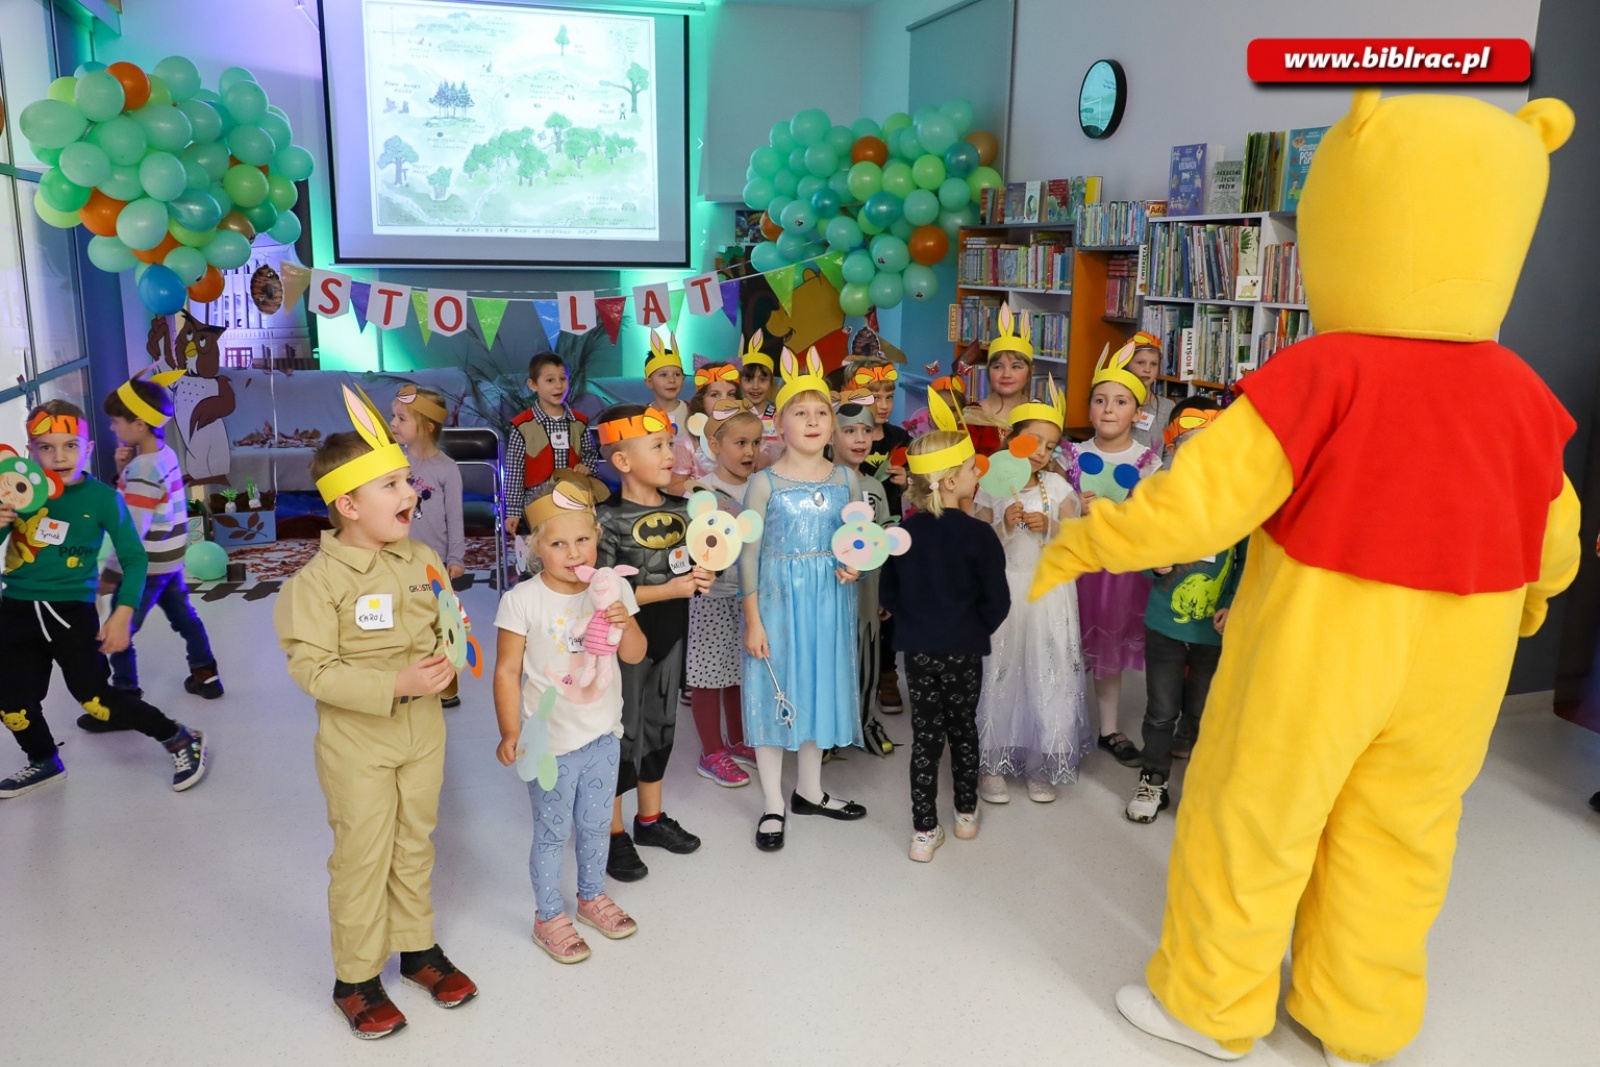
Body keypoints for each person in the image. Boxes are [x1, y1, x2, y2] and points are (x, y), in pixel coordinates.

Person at [1031, 90, 1580, 1067]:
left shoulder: (1319, 371)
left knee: (1255, 815)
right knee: (1399, 834)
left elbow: (1198, 504)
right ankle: (1356, 1019)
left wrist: (1084, 542)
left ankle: (1210, 1002)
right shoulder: (1526, 393)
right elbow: (1557, 541)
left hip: (1322, 642)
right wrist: (1528, 601)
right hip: (1461, 660)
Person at [274, 389, 477, 1038]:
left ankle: (416, 948)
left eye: (407, 480)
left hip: (424, 730)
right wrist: (396, 680)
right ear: (348, 504)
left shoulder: (419, 558)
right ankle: (355, 977)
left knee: (415, 841)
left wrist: (454, 652)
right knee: (364, 852)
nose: (410, 493)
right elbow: (313, 670)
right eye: (391, 484)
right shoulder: (315, 585)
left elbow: (446, 618)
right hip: (358, 741)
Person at [0, 401, 209, 798]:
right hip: (16, 609)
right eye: (45, 447)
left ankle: (179, 737)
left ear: (88, 448)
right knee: (11, 700)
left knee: (97, 701)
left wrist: (123, 611)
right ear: (29, 451)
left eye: (70, 445)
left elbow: (134, 557)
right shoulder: (15, 493)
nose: (59, 456)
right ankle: (43, 760)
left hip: (71, 612)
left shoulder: (101, 498)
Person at [493, 474, 646, 964]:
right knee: (554, 831)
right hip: (549, 745)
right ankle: (548, 917)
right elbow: (506, 669)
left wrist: (626, 620)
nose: (574, 552)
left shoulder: (612, 587)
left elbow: (638, 654)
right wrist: (510, 731)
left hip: (603, 734)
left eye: (583, 539)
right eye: (558, 543)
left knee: (597, 824)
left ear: (598, 539)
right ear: (538, 548)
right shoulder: (522, 600)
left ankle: (590, 897)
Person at [738, 347, 870, 852]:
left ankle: (810, 791)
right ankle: (773, 801)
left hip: (828, 602)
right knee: (778, 696)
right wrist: (753, 620)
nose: (812, 422)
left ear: (833, 424)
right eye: (801, 412)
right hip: (776, 602)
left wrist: (854, 565)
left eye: (822, 413)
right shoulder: (763, 483)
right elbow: (747, 558)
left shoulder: (846, 479)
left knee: (816, 690)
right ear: (780, 423)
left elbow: (858, 542)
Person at [593, 403, 713, 881]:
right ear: (622, 461)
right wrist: (669, 590)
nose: (672, 453)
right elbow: (601, 591)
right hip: (624, 645)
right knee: (621, 733)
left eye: (671, 442)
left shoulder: (685, 511)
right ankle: (612, 832)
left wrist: (709, 568)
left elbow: (703, 559)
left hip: (672, 637)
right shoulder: (605, 520)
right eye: (659, 446)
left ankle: (650, 819)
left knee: (661, 727)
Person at [882, 425, 1009, 861]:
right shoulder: (980, 535)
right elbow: (998, 602)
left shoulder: (904, 533)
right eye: (974, 468)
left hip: (918, 650)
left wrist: (916, 621)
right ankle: (966, 814)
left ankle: (923, 831)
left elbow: (888, 595)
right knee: (963, 728)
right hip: (964, 650)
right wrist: (973, 629)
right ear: (952, 481)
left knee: (925, 736)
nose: (979, 473)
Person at [1125, 398, 1243, 824]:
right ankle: (1153, 779)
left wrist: (1231, 602)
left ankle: (1199, 784)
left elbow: (1247, 560)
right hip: (1165, 626)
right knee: (1160, 709)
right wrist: (1151, 564)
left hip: (1214, 632)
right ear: (1174, 453)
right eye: (1189, 448)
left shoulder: (1239, 505)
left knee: (1204, 709)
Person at [972, 380, 1090, 803]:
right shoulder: (988, 487)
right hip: (1005, 590)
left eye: (1050, 445)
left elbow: (1078, 544)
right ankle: (992, 762)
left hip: (1047, 595)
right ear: (1008, 438)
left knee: (1046, 669)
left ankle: (1042, 761)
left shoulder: (1059, 490)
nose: (1041, 451)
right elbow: (977, 542)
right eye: (1033, 440)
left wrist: (1052, 528)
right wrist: (1004, 525)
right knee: (1000, 670)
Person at [1058, 341, 1163, 767]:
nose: (1107, 409)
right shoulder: (1072, 456)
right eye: (1100, 400)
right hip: (1076, 568)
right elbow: (1054, 515)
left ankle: (1108, 728)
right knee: (1067, 647)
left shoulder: (1148, 462)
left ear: (1137, 413)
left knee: (1109, 651)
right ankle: (1062, 723)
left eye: (1120, 402)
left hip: (1118, 576)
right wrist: (1073, 509)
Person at [94, 374, 223, 711]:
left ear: (138, 424)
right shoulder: (164, 455)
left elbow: (130, 533)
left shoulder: (142, 469)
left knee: (119, 630)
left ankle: (124, 697)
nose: (112, 428)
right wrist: (123, 468)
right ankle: (205, 674)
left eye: (115, 421)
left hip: (144, 567)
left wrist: (110, 575)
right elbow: (142, 499)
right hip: (170, 560)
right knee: (185, 618)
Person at [686, 408, 763, 787]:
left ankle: (736, 740)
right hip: (713, 597)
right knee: (708, 676)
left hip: (747, 596)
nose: (750, 451)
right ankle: (710, 750)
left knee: (737, 672)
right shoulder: (700, 490)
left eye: (756, 443)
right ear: (715, 445)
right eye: (741, 443)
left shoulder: (760, 486)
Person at [842, 356, 911, 714]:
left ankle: (886, 673)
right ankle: (848, 677)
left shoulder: (901, 437)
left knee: (887, 605)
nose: (882, 406)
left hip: (890, 534)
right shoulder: (842, 440)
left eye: (888, 396)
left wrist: (908, 482)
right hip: (850, 541)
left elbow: (917, 489)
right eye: (873, 397)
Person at [391, 384, 467, 706]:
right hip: (398, 557)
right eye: (393, 416)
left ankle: (445, 682)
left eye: (401, 418)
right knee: (405, 618)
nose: (393, 423)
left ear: (427, 426)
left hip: (434, 563)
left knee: (441, 622)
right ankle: (407, 678)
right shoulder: (395, 465)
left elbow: (455, 517)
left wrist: (456, 556)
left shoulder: (446, 469)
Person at [830, 390, 894, 755]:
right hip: (830, 594)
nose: (859, 440)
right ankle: (827, 731)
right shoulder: (822, 486)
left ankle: (865, 721)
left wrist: (886, 592)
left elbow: (883, 540)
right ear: (831, 435)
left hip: (866, 598)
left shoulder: (873, 488)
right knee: (831, 664)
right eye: (850, 431)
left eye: (866, 432)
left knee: (866, 663)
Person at [504, 353, 597, 536]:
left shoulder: (579, 423)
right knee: (543, 545)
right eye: (550, 380)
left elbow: (590, 455)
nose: (558, 385)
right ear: (533, 385)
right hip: (538, 502)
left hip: (574, 499)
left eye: (563, 379)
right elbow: (515, 472)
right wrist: (513, 511)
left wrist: (587, 467)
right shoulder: (522, 426)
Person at [965, 303, 1033, 456]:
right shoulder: (973, 416)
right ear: (988, 371)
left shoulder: (1037, 413)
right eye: (998, 367)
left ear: (1030, 373)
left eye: (1016, 367)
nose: (1006, 374)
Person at [668, 358, 743, 495]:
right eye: (715, 395)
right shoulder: (689, 443)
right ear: (701, 401)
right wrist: (707, 490)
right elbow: (674, 487)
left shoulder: (748, 435)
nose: (724, 401)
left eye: (731, 394)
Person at [738, 330, 784, 469]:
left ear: (771, 383)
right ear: (739, 382)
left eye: (762, 380)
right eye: (748, 380)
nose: (755, 386)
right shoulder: (735, 414)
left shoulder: (780, 415)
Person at [1126, 332, 1175, 459]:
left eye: (1153, 364)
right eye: (1140, 363)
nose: (1147, 369)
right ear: (1127, 364)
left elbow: (1170, 452)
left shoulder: (1167, 407)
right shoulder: (1115, 402)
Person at [642, 328, 690, 433]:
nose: (672, 380)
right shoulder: (641, 415)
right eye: (663, 375)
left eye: (677, 374)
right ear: (649, 382)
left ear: (683, 378)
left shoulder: (693, 412)